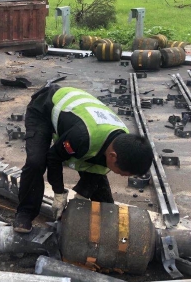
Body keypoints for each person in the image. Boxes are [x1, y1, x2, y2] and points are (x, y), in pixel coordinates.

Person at [13, 85, 154, 233]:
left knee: (100, 192)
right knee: (36, 162)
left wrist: (81, 195)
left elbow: (97, 171)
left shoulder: (122, 141)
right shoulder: (82, 137)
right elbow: (54, 157)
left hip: (77, 122)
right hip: (44, 108)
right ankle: (25, 213)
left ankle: (108, 226)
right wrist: (59, 193)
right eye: (121, 172)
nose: (121, 176)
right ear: (113, 156)